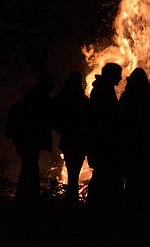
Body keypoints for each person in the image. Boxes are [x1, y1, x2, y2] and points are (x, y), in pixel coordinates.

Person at [4, 72, 55, 204]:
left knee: (29, 167)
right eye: (51, 85)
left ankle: (25, 198)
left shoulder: (33, 97)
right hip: (29, 139)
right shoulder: (40, 99)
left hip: (23, 139)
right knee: (30, 168)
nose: (52, 88)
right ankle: (28, 199)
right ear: (47, 85)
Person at [87, 62, 124, 207]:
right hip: (104, 144)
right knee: (104, 177)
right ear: (112, 75)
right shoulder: (103, 92)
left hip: (101, 143)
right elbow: (107, 120)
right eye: (118, 74)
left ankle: (98, 207)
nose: (120, 78)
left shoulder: (102, 89)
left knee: (102, 176)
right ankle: (99, 209)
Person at [54, 71, 89, 203]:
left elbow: (55, 117)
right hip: (79, 141)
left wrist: (61, 130)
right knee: (74, 172)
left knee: (72, 171)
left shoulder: (63, 97)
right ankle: (72, 199)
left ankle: (70, 198)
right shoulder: (82, 100)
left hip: (69, 140)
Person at [118, 67, 149, 205]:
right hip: (138, 144)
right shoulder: (145, 98)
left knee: (131, 178)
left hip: (128, 143)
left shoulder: (127, 96)